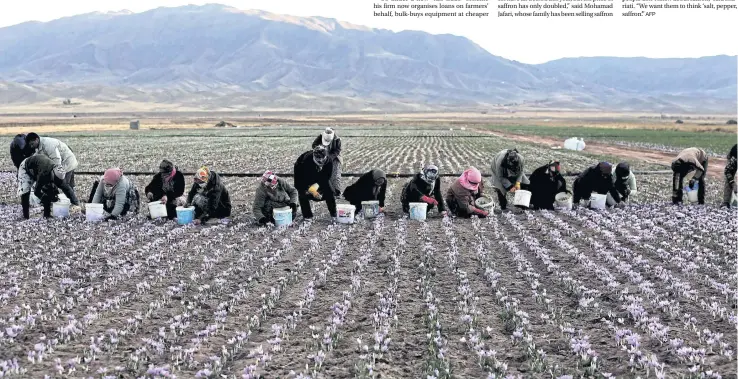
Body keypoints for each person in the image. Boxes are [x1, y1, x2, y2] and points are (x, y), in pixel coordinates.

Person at [25, 133, 80, 206]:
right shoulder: (39, 146)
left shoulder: (48, 144)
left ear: (36, 140)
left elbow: (57, 160)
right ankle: (56, 201)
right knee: (60, 184)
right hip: (60, 163)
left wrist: (56, 175)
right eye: (30, 145)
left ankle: (75, 204)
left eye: (32, 144)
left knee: (64, 185)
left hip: (66, 162)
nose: (32, 146)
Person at [294, 145, 337, 220]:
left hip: (320, 174)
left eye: (322, 159)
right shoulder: (305, 161)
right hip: (303, 173)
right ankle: (307, 215)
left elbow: (326, 177)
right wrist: (312, 191)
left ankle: (333, 212)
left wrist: (317, 186)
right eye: (318, 159)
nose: (320, 161)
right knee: (302, 192)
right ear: (314, 157)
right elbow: (301, 181)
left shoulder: (329, 161)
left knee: (329, 191)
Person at [16, 155, 67, 219]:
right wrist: (44, 198)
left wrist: (55, 196)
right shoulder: (43, 174)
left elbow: (55, 187)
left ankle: (47, 215)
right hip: (26, 168)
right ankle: (25, 216)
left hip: (37, 169)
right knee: (25, 191)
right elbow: (36, 192)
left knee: (49, 189)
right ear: (53, 174)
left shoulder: (56, 171)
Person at [312, 127, 343, 197]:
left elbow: (337, 151)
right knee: (324, 175)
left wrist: (329, 158)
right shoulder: (321, 136)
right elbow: (314, 145)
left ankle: (337, 193)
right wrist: (319, 150)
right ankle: (324, 191)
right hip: (323, 158)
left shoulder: (337, 139)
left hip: (335, 158)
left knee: (335, 175)